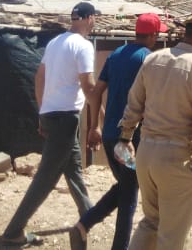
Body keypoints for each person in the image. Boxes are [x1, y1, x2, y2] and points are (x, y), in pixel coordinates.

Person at [116, 12, 192, 249]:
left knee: (151, 222)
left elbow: (134, 103)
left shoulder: (154, 59)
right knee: (171, 235)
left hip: (146, 153)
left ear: (186, 33)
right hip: (177, 157)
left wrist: (126, 136)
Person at [2, 1, 102, 246]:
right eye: (94, 18)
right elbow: (89, 87)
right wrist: (97, 123)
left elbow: (39, 78)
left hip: (53, 115)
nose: (94, 22)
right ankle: (13, 231)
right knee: (45, 178)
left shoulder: (56, 42)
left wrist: (42, 112)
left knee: (73, 169)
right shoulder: (83, 45)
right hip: (65, 118)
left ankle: (88, 216)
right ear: (89, 18)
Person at [69, 12, 168, 250]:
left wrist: (94, 126)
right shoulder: (148, 59)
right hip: (131, 138)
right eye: (157, 34)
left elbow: (95, 92)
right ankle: (95, 231)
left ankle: (83, 226)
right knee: (129, 195)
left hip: (111, 137)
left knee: (126, 187)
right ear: (153, 35)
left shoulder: (116, 55)